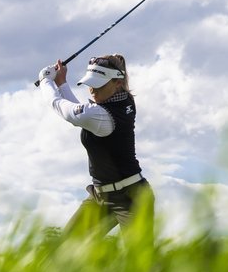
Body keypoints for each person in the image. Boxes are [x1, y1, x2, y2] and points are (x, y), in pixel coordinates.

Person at [38, 53, 154, 238]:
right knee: (63, 250)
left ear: (117, 83)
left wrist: (45, 80)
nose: (93, 90)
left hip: (131, 199)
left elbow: (65, 109)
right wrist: (61, 83)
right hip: (100, 196)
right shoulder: (122, 100)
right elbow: (82, 113)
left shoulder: (103, 115)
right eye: (90, 84)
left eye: (99, 85)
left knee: (139, 256)